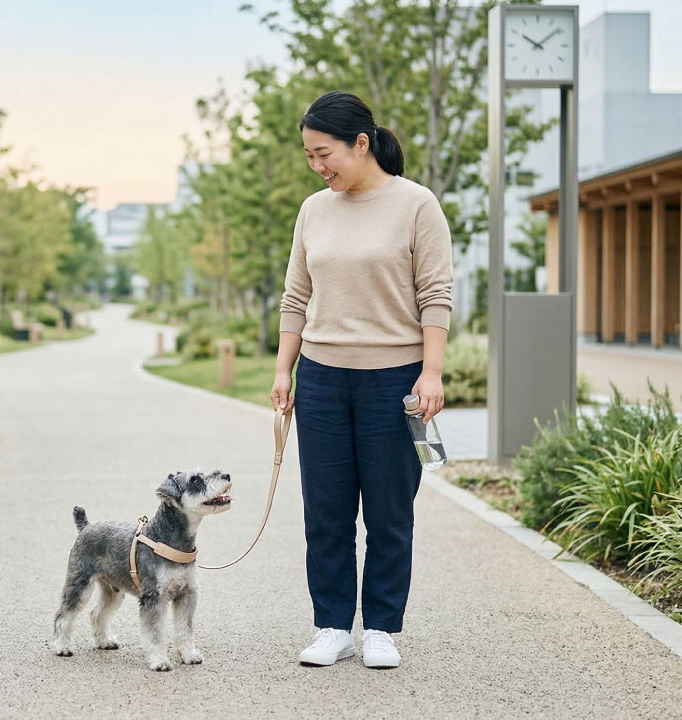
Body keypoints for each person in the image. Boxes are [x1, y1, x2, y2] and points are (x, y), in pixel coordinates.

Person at [269, 90, 453, 669]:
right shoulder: (313, 210)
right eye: (309, 157)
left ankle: (380, 628)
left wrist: (431, 372)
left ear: (361, 143)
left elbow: (436, 295)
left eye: (326, 153)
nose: (319, 167)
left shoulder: (417, 205)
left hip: (393, 382)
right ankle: (331, 626)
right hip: (322, 379)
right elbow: (296, 295)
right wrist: (283, 368)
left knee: (389, 512)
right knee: (324, 511)